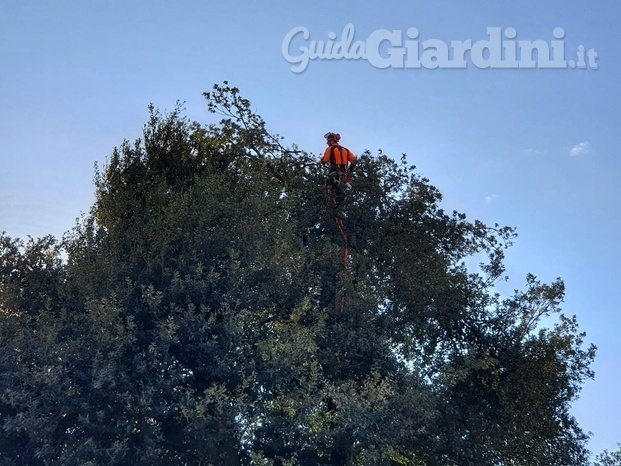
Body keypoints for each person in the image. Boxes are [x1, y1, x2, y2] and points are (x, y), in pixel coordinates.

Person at [321, 132, 356, 200]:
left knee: (331, 190)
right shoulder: (346, 150)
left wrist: (322, 161)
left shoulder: (330, 149)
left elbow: (325, 160)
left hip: (334, 172)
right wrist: (350, 171)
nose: (327, 143)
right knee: (344, 191)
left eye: (328, 141)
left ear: (331, 140)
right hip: (344, 173)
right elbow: (354, 161)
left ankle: (332, 204)